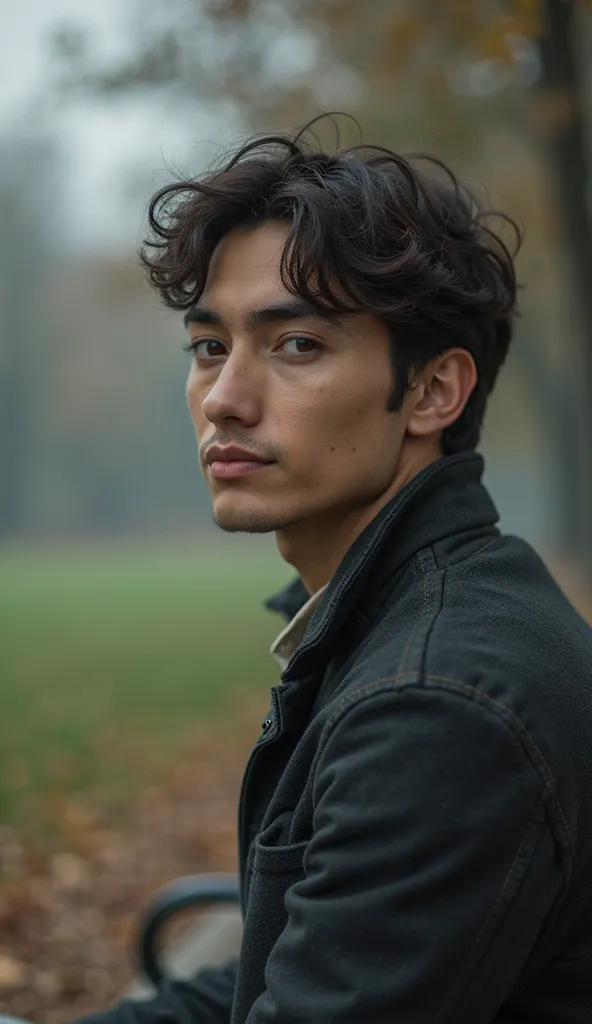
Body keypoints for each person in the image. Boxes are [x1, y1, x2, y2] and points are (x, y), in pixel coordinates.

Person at [81, 114, 592, 1023]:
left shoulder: (440, 702)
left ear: (434, 391)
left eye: (297, 345)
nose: (226, 401)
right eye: (209, 347)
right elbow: (267, 980)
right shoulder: (409, 617)